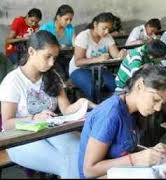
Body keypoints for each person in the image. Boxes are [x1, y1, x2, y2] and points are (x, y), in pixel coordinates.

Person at [0, 30, 95, 178]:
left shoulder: (52, 76)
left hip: (51, 132)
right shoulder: (12, 81)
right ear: (31, 51)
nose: (52, 63)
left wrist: (81, 104)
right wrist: (34, 118)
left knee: (83, 153)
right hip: (20, 139)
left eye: (54, 58)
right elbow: (7, 123)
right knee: (65, 163)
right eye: (47, 57)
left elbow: (66, 110)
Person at [78, 64, 166, 178]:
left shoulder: (135, 111)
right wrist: (136, 159)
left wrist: (151, 152)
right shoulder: (110, 114)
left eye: (162, 103)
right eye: (155, 99)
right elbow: (89, 170)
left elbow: (122, 149)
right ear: (139, 86)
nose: (158, 108)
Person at [69, 12, 127, 102]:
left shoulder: (108, 37)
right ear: (95, 24)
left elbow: (116, 55)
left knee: (115, 85)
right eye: (104, 28)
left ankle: (111, 106)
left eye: (109, 29)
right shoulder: (84, 36)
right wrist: (97, 59)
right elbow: (78, 62)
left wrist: (122, 53)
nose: (107, 31)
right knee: (92, 87)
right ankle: (94, 109)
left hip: (99, 69)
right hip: (79, 70)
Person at [40, 4, 75, 80]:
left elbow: (74, 44)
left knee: (72, 73)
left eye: (70, 20)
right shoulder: (46, 28)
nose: (69, 22)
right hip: (50, 59)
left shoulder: (70, 28)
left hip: (66, 57)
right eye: (66, 19)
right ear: (58, 17)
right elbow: (40, 46)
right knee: (61, 75)